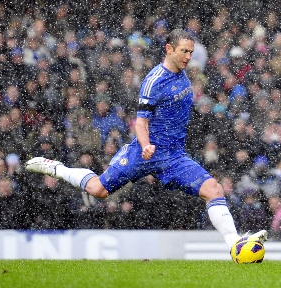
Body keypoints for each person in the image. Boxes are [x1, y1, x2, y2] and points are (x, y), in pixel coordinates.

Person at [24, 29, 267, 254]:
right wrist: (147, 144)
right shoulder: (153, 81)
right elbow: (141, 122)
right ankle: (57, 168)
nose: (188, 56)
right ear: (169, 48)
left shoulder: (183, 76)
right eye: (184, 51)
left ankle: (235, 246)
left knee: (214, 189)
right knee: (98, 190)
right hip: (143, 153)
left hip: (173, 157)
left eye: (191, 52)